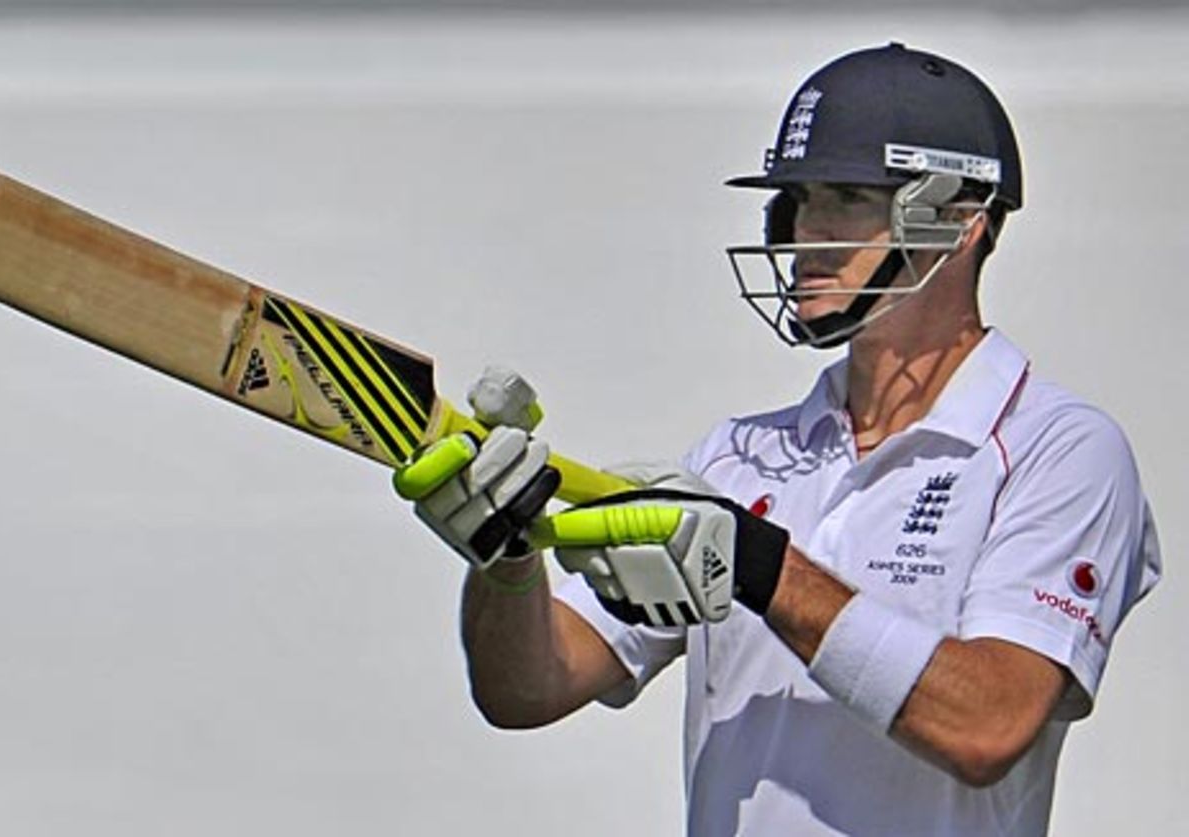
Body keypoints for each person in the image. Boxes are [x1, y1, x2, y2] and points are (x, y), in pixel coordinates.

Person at [392, 43, 1162, 835]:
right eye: (794, 201)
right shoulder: (737, 456)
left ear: (960, 224)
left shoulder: (1059, 449)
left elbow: (989, 724)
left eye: (846, 197)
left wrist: (762, 566)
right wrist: (507, 556)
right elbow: (528, 690)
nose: (803, 231)